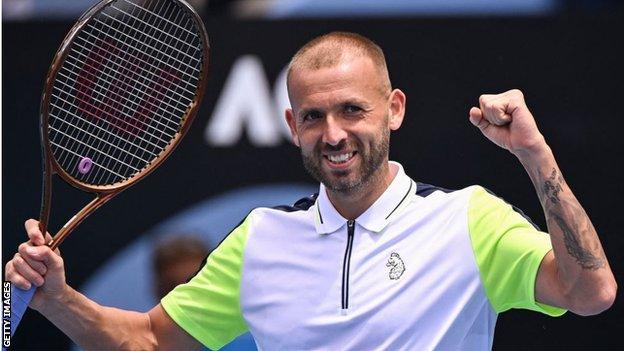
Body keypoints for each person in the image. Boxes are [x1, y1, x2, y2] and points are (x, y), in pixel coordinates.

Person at [5, 32, 616, 350]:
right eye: (315, 116)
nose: (335, 134)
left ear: (393, 110)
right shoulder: (260, 241)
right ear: (292, 124)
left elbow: (591, 292)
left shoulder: (469, 221)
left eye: (353, 110)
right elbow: (145, 342)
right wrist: (56, 296)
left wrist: (535, 156)